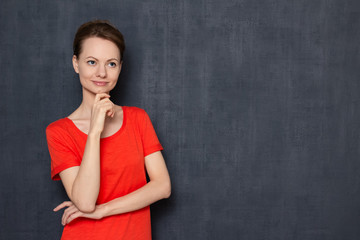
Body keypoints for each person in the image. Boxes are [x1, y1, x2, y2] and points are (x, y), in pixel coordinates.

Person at [45, 20, 171, 240]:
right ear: (76, 63)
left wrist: (103, 210)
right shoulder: (59, 131)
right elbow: (84, 202)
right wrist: (94, 131)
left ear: (120, 67)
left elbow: (162, 186)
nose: (101, 73)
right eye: (92, 62)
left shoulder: (138, 119)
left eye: (111, 64)